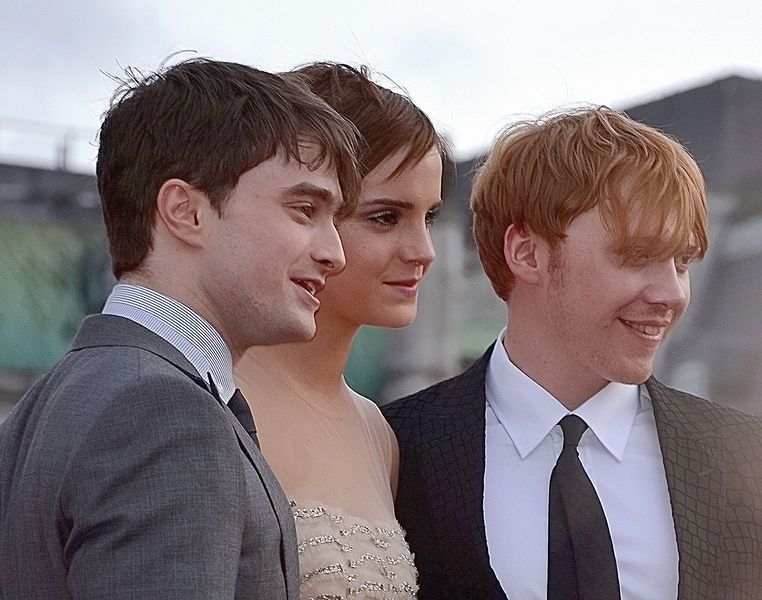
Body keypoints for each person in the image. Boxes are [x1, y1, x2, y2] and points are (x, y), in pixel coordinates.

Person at [0, 58, 361, 600]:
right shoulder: (165, 414)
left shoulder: (46, 405)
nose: (334, 253)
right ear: (185, 212)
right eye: (304, 208)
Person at [383, 107, 762, 600]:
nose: (672, 294)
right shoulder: (393, 450)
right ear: (527, 253)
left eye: (683, 261)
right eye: (638, 256)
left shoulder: (746, 456)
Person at [234, 62, 446, 600]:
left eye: (430, 217)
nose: (423, 252)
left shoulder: (377, 432)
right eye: (385, 217)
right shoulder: (214, 402)